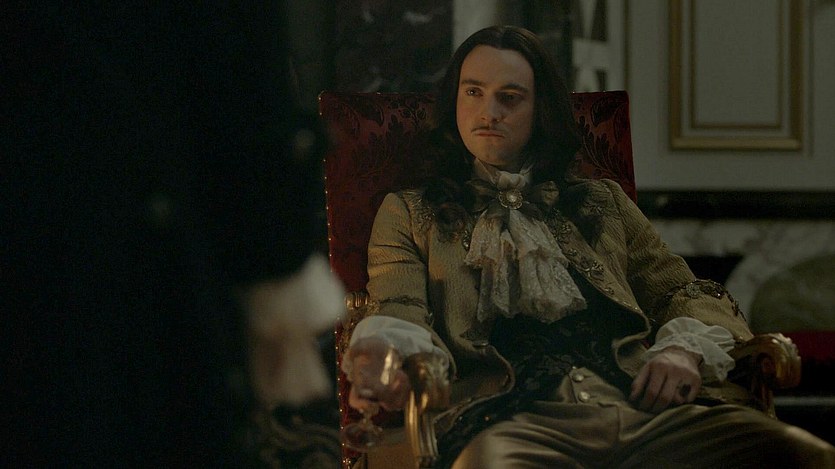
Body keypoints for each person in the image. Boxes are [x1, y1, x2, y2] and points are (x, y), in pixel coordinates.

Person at [342, 25, 835, 468]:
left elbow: (683, 291)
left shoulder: (603, 203)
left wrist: (683, 352)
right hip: (510, 422)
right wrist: (384, 358)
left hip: (643, 410)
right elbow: (399, 306)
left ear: (540, 111)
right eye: (473, 92)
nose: (488, 113)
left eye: (510, 98)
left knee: (804, 453)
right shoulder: (412, 212)